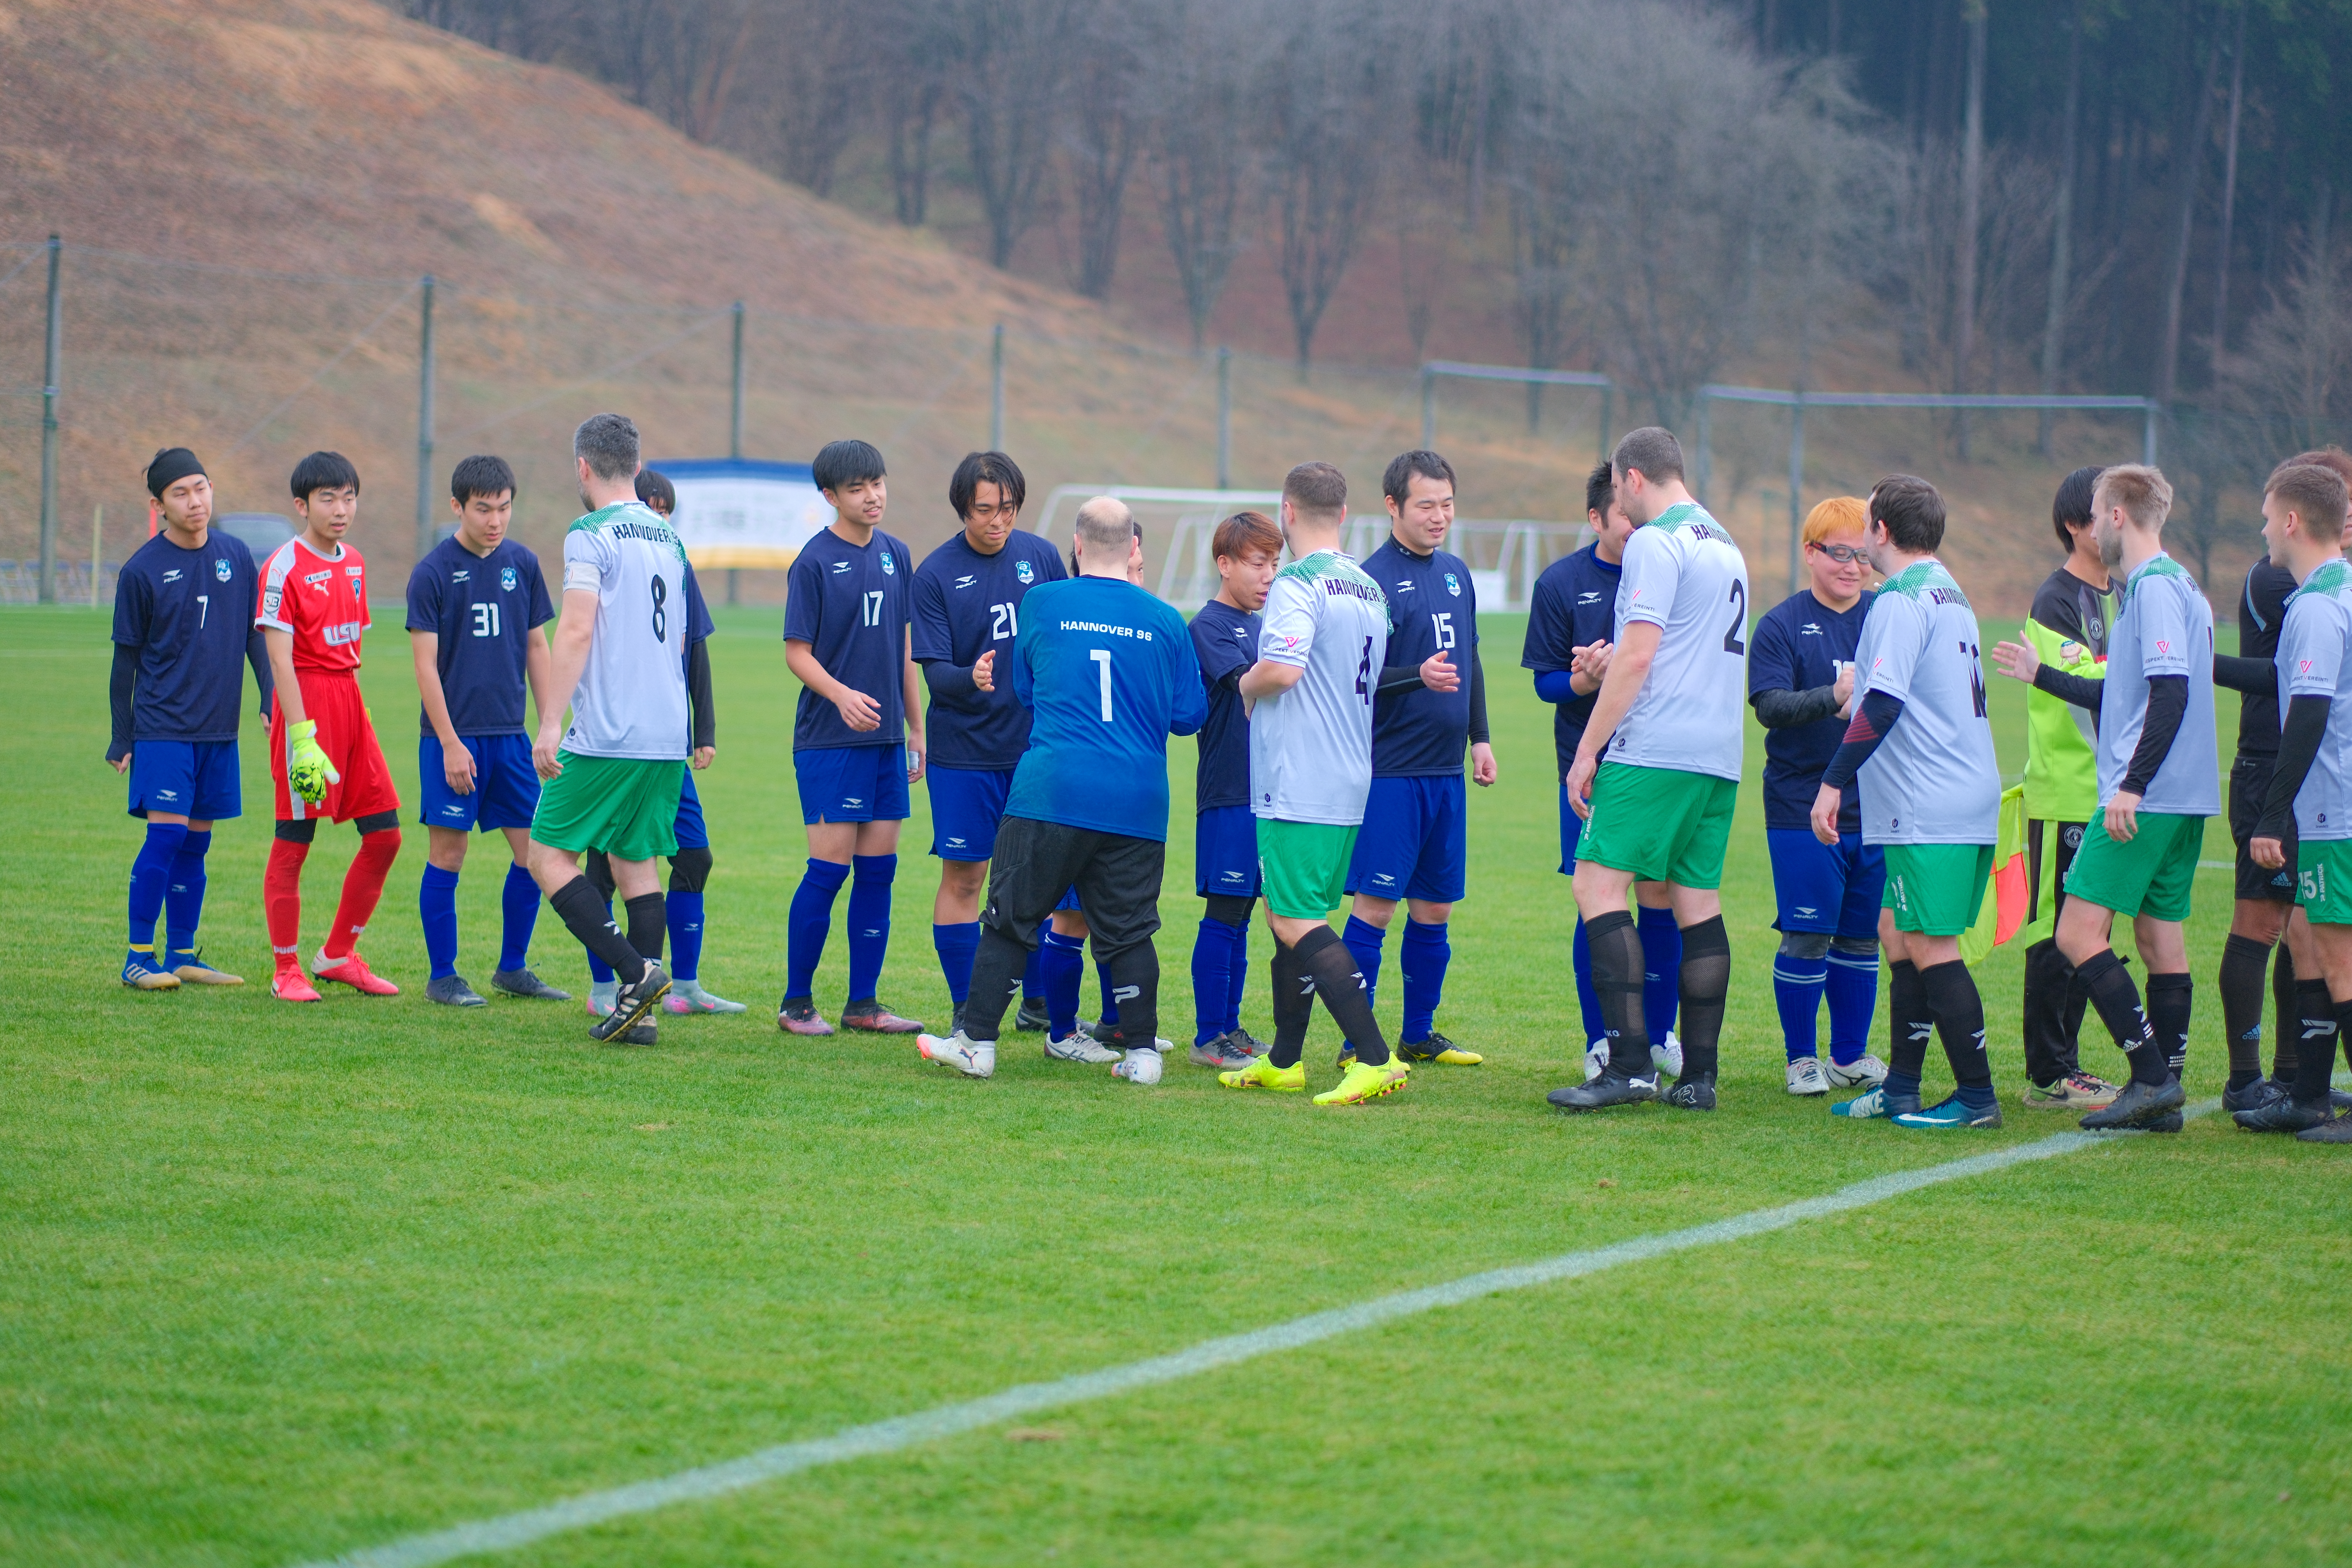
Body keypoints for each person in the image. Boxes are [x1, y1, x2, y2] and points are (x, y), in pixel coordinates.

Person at [915, 496, 1206, 1083]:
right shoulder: (1166, 619)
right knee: (1129, 930)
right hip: (1137, 800)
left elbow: (1025, 689)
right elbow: (1189, 716)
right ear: (1133, 550)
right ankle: (1144, 1054)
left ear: (1077, 546)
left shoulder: (1042, 603)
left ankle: (976, 1043)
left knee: (1009, 920)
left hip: (1052, 791)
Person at [1992, 464, 2214, 1132]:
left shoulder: (2147, 589)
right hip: (2190, 798)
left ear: (2116, 515)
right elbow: (2146, 689)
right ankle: (2165, 1090)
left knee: (2075, 932)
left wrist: (2132, 784)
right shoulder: (2188, 586)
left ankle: (2148, 1076)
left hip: (2147, 797)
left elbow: (2168, 691)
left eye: (2096, 508)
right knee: (2157, 939)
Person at [1549, 428, 1746, 1114]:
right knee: (1697, 902)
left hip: (1657, 747)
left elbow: (1636, 655)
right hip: (1719, 754)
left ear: (1631, 477)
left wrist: (1587, 749)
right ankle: (1700, 1076)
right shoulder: (1726, 543)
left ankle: (1629, 1063)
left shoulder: (1655, 542)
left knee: (1597, 886)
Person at [1215, 462, 1413, 1107]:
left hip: (1299, 775)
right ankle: (1285, 1058)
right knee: (1288, 917)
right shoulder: (1368, 587)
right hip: (1351, 773)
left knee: (1298, 919)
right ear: (1347, 515)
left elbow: (1282, 667)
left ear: (1288, 512)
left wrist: (1246, 687)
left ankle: (1375, 1057)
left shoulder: (1299, 583)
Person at [1812, 477, 2004, 1128]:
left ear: (1882, 532)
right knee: (1898, 931)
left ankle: (1977, 1097)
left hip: (1932, 801)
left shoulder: (1898, 597)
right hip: (1960, 792)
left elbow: (1884, 702)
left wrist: (1834, 780)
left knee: (1930, 941)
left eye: (1867, 519)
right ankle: (1900, 1086)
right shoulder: (1949, 588)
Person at [523, 413, 689, 1045]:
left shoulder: (588, 533)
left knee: (547, 852)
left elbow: (577, 627)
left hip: (611, 729)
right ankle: (637, 1015)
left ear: (583, 468)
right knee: (634, 860)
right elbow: (675, 640)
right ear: (639, 467)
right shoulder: (669, 537)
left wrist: (549, 721)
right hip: (666, 728)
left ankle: (635, 972)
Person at [1523, 462, 1684, 1080]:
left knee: (1661, 897)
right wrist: (1582, 680)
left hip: (1665, 761)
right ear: (1597, 518)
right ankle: (1602, 1039)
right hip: (1591, 771)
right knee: (1596, 899)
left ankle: (1662, 1033)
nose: (1639, 526)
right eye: (1625, 517)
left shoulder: (1672, 565)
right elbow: (1544, 682)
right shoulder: (1561, 582)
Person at [1339, 449, 1492, 1068]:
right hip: (1390, 774)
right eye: (1427, 504)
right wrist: (1416, 677)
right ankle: (1357, 1041)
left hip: (1445, 772)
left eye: (1448, 504)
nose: (1440, 516)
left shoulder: (1456, 572)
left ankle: (1418, 1033)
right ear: (1394, 505)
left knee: (1435, 909)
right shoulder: (1371, 579)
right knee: (1375, 908)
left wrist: (1480, 737)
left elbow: (1472, 659)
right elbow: (1357, 676)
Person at [2214, 446, 2352, 1110]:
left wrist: (2276, 813)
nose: (2263, 529)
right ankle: (2286, 1088)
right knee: (2299, 934)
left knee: (2329, 949)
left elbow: (2311, 706)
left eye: (2268, 517)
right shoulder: (2308, 590)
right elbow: (2288, 685)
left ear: (2295, 519)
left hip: (2325, 795)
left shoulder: (2321, 600)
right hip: (2302, 786)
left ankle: (2306, 1088)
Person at [909, 451, 1066, 1033]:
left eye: (1008, 509)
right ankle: (966, 1005)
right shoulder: (935, 575)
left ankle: (1038, 1001)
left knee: (1039, 879)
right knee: (967, 878)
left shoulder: (1041, 557)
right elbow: (934, 674)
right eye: (985, 511)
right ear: (963, 509)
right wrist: (969, 677)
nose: (998, 521)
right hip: (966, 755)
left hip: (1035, 751)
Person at [579, 467, 743, 1017]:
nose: (659, 516)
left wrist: (707, 731)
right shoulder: (601, 546)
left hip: (668, 744)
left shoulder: (674, 559)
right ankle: (606, 989)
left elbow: (696, 648)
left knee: (694, 857)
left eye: (666, 508)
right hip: (616, 741)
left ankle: (686, 986)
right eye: (653, 504)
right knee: (606, 867)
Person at [406, 454, 569, 1007]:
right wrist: (450, 742)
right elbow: (425, 665)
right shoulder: (432, 572)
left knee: (534, 855)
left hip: (511, 739)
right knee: (449, 855)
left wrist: (550, 725)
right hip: (453, 740)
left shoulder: (521, 564)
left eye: (504, 509)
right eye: (483, 510)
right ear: (458, 507)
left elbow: (536, 647)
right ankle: (443, 976)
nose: (495, 520)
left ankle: (513, 968)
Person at [779, 439, 928, 1038]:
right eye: (858, 487)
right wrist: (841, 695)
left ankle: (864, 1003)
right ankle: (796, 1004)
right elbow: (797, 652)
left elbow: (903, 648)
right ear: (831, 497)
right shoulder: (814, 562)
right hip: (829, 744)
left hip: (887, 742)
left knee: (879, 870)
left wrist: (916, 727)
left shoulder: (897, 554)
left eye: (878, 483)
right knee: (828, 869)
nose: (873, 496)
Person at [108, 446, 272, 989]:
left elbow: (254, 636)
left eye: (201, 488)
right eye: (181, 493)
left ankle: (181, 953)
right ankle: (138, 957)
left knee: (197, 843)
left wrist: (269, 697)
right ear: (158, 504)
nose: (195, 501)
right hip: (163, 730)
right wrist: (122, 736)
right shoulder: (141, 572)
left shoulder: (236, 555)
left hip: (218, 731)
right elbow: (125, 662)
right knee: (166, 838)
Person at [1747, 496, 1886, 1095]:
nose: (1852, 566)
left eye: (1862, 554)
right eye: (1838, 553)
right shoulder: (1782, 624)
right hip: (1801, 804)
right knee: (1807, 933)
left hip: (1878, 805)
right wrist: (1834, 694)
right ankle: (1801, 1058)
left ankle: (1849, 1055)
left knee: (1861, 936)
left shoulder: (1887, 615)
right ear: (1810, 552)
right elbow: (1770, 706)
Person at [256, 451, 404, 1002]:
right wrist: (301, 738)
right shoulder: (283, 568)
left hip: (350, 706)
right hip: (307, 707)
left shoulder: (357, 563)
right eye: (328, 499)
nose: (341, 509)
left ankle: (338, 955)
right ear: (302, 505)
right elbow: (280, 661)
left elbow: (351, 649)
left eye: (349, 497)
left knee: (386, 835)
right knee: (296, 840)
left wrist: (355, 720)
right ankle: (285, 970)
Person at [2011, 467, 2122, 1110]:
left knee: (2091, 931)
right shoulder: (2055, 598)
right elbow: (2093, 687)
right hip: (2065, 792)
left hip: (2108, 793)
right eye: (2106, 512)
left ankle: (2068, 1065)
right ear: (2077, 525)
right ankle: (2051, 1072)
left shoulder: (2121, 592)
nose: (2116, 523)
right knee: (2055, 934)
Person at [1186, 510, 1281, 1070]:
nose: (1268, 575)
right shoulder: (1211, 626)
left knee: (1243, 913)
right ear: (1225, 564)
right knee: (1224, 913)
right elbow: (1248, 684)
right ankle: (1208, 1037)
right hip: (1228, 791)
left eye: (1275, 563)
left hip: (1269, 791)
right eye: (1257, 563)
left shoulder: (1263, 623)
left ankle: (1232, 1027)